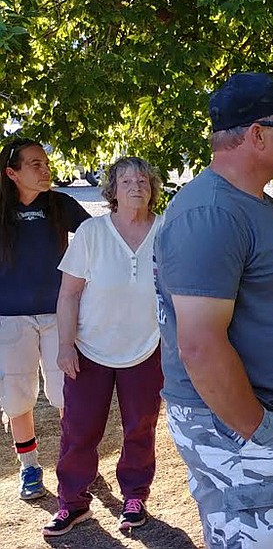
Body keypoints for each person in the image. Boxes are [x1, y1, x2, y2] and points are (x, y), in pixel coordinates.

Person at [154, 72, 273, 548]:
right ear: (257, 134)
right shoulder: (209, 214)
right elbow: (200, 347)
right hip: (235, 427)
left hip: (262, 418)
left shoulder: (252, 204)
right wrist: (259, 431)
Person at [43, 157, 166, 536]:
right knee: (79, 429)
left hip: (147, 348)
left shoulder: (166, 231)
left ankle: (134, 498)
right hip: (89, 349)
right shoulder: (93, 233)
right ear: (112, 190)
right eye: (126, 180)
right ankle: (73, 502)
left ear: (153, 188)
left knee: (140, 428)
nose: (136, 186)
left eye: (143, 179)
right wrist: (65, 345)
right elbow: (68, 295)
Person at [0, 138, 90, 501]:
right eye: (34, 164)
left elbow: (94, 239)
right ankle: (30, 468)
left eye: (45, 162)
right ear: (12, 173)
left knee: (66, 392)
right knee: (17, 397)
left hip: (58, 314)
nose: (44, 169)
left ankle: (74, 462)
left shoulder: (59, 204)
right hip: (9, 319)